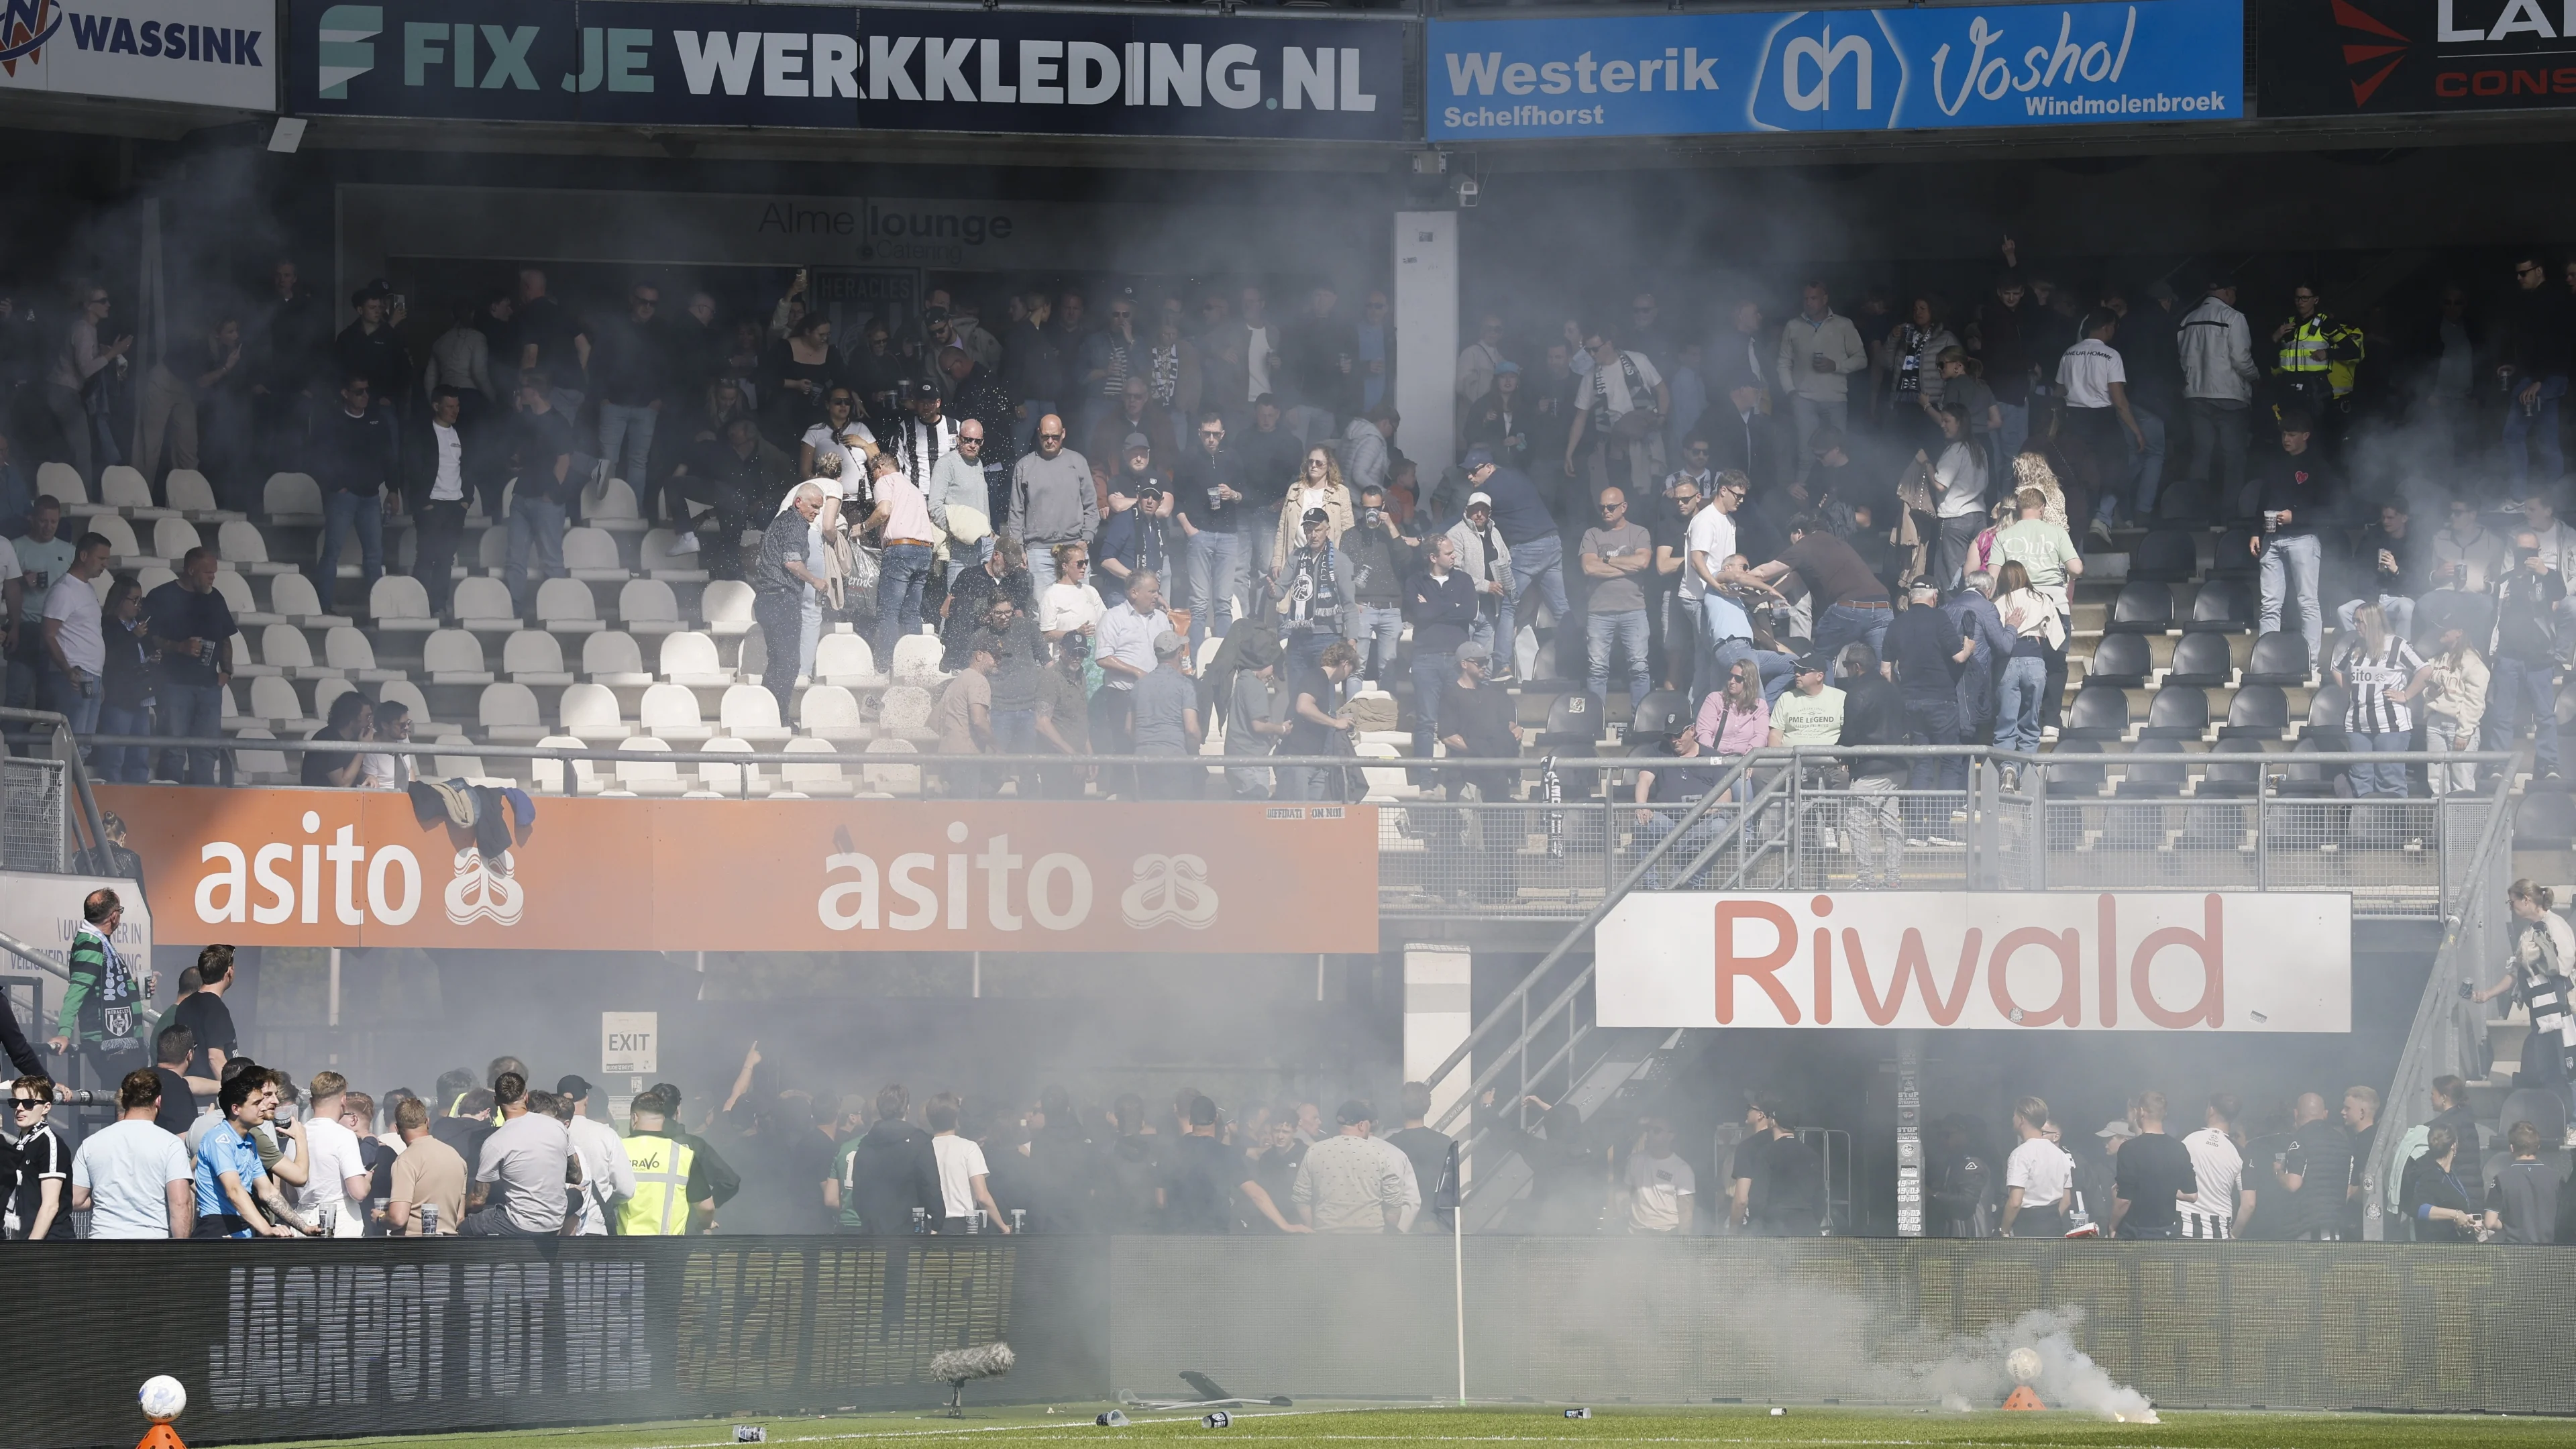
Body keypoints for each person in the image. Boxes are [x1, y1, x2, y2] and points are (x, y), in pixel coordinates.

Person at [2473, 879, 2576, 1131]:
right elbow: (2516, 971)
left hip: (2558, 1011)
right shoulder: (2528, 932)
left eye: (2513, 902)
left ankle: (2572, 1123)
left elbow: (2563, 966)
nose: (2512, 906)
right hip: (2539, 1013)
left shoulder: (2555, 925)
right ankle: (2559, 1122)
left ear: (2527, 900)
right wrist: (2488, 994)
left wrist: (2541, 956)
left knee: (2564, 1070)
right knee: (2547, 1072)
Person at [1748, 515, 1891, 678]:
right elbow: (1792, 579)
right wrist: (1759, 599)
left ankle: (1823, 693)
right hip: (1883, 606)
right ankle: (1887, 693)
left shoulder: (1805, 545)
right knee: (1883, 667)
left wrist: (1735, 578)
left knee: (1821, 660)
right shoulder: (1837, 544)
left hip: (1850, 606)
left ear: (1799, 533)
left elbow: (1763, 572)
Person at [1888, 580, 1972, 842]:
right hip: (1941, 701)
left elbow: (1885, 670)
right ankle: (1940, 829)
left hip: (1911, 703)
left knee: (1922, 764)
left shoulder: (1896, 624)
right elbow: (1959, 657)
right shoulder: (1939, 618)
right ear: (1934, 596)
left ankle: (1914, 831)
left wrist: (1902, 693)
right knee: (1950, 762)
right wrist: (1969, 646)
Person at [2251, 413, 2334, 677]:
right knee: (2269, 604)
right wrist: (2255, 532)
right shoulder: (2275, 465)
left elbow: (2329, 511)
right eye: (2284, 434)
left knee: (2307, 602)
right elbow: (2262, 502)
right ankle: (2267, 661)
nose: (2286, 439)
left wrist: (2295, 517)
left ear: (2305, 436)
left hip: (2304, 538)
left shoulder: (2318, 466)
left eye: (2291, 434)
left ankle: (2311, 663)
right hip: (2271, 537)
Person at [142, 547, 234, 783]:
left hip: (210, 686)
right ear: (191, 570)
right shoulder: (162, 596)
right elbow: (148, 637)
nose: (212, 577)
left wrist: (226, 671)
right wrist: (179, 647)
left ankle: (202, 800)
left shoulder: (215, 598)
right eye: (208, 572)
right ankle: (171, 801)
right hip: (173, 684)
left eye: (214, 572)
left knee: (207, 751)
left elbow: (225, 637)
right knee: (173, 750)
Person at [69, 1069, 193, 1240]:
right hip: (151, 1244)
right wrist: (182, 1250)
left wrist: (108, 1198)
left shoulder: (91, 1143)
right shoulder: (171, 1144)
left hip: (101, 1244)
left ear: (123, 1100)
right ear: (158, 1101)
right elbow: (180, 1204)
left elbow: (75, 1199)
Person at [46, 887, 148, 1094]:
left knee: (130, 1101)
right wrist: (64, 1032)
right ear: (114, 916)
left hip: (120, 1043)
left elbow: (103, 987)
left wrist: (134, 987)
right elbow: (76, 992)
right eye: (120, 910)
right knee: (130, 1101)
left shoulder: (98, 943)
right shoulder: (91, 946)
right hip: (112, 1045)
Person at [192, 1071, 311, 1238]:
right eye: (257, 1103)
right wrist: (266, 1228)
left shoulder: (249, 1141)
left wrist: (305, 1228)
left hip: (243, 1226)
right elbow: (234, 1190)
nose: (263, 1107)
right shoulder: (220, 1139)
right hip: (218, 1229)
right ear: (236, 1109)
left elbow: (268, 1191)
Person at [2332, 604, 2432, 800]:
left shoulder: (2398, 645)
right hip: (2357, 724)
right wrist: (2352, 691)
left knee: (2390, 779)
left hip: (2391, 725)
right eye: (2354, 621)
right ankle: (2364, 819)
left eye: (2359, 621)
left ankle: (2394, 820)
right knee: (2361, 778)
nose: (2355, 625)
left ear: (2372, 622)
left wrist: (2406, 695)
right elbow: (2336, 669)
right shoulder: (2356, 645)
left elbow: (2425, 670)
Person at [1777, 281, 1869, 474]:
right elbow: (1783, 363)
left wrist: (1836, 366)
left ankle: (1840, 490)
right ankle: (1805, 490)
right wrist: (1791, 392)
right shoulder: (1793, 326)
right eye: (1806, 299)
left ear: (1825, 299)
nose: (1809, 303)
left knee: (1838, 452)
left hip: (1835, 399)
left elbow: (1862, 359)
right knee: (1806, 453)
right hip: (1804, 399)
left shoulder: (1844, 325)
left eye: (1814, 298)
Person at [1835, 643, 1907, 886]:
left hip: (1871, 769)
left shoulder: (1857, 693)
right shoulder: (1893, 689)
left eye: (1846, 666)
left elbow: (1850, 734)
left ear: (1856, 667)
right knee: (1890, 823)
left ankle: (1866, 878)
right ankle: (1893, 879)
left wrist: (1841, 753)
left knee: (1855, 821)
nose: (1846, 671)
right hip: (1897, 765)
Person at [1407, 533, 1481, 765]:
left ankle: (1456, 779)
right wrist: (1452, 606)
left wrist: (1432, 607)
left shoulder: (1464, 580)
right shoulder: (1415, 581)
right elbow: (1419, 614)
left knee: (1460, 721)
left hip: (1458, 661)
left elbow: (1469, 612)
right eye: (1449, 553)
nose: (1454, 556)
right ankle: (1424, 779)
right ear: (1433, 557)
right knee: (1426, 722)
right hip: (1425, 659)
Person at [1580, 486, 1656, 712]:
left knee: (1639, 667)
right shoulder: (1592, 534)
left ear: (1624, 507)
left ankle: (1641, 720)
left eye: (1611, 507)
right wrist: (1626, 568)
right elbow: (1588, 567)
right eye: (1602, 507)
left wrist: (1604, 560)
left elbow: (1642, 563)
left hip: (1634, 609)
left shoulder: (1640, 533)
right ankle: (1596, 720)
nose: (1605, 511)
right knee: (1597, 669)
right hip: (1599, 611)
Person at [1291, 1099, 1410, 1234]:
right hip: (1372, 1238)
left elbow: (1301, 1198)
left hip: (1326, 1237)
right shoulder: (1381, 1154)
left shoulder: (1315, 1151)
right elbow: (1394, 1203)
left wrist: (1311, 1228)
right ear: (1362, 1125)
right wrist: (1388, 1227)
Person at [837, 1084, 941, 1234]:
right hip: (911, 1229)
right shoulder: (919, 1141)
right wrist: (937, 1221)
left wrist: (867, 1220)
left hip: (874, 1230)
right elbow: (930, 1184)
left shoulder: (867, 1143)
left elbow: (858, 1189)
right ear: (907, 1108)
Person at [1010, 415, 1096, 595]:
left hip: (1074, 547)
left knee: (1081, 603)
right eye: (1045, 436)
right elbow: (1016, 511)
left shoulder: (1078, 462)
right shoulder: (1024, 466)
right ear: (1038, 433)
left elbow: (1090, 505)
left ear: (1063, 434)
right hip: (1038, 551)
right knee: (1043, 607)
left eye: (1055, 437)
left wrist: (1086, 539)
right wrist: (1019, 548)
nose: (1050, 441)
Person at [39, 529, 111, 736]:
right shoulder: (64, 589)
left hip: (91, 675)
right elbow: (48, 634)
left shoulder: (87, 588)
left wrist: (98, 678)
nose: (105, 564)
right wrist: (67, 670)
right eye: (101, 558)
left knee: (85, 742)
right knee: (73, 740)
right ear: (84, 555)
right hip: (75, 675)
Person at [618, 1089, 713, 1236]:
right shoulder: (683, 1155)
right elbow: (707, 1207)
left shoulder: (618, 1150)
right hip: (669, 1247)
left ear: (634, 1118)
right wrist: (705, 1224)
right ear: (663, 1119)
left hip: (624, 1246)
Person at [1279, 638, 1362, 803]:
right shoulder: (1316, 676)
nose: (1346, 677)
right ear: (1345, 664)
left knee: (1314, 815)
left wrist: (1335, 719)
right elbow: (1303, 706)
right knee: (1298, 814)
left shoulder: (1323, 682)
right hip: (1299, 761)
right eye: (1349, 671)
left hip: (1314, 762)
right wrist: (1335, 722)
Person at [2105, 1092, 2194, 1240]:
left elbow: (2125, 1200)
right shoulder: (2179, 1148)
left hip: (2136, 1234)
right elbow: (2192, 1195)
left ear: (2140, 1112)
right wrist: (2161, 1188)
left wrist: (2112, 1226)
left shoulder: (2129, 1148)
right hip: (2167, 1234)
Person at [299, 1070, 376, 1237]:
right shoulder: (344, 1135)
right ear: (343, 1100)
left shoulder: (297, 1135)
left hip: (303, 1224)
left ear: (311, 1102)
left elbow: (290, 1192)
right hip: (340, 1227)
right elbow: (358, 1192)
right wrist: (367, 1179)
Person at [2275, 1091, 2358, 1242]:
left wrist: (2279, 1173)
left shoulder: (2299, 1139)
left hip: (2306, 1229)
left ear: (2296, 1113)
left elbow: (2293, 1184)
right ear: (2325, 1114)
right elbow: (2347, 1191)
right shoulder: (2343, 1142)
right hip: (2335, 1229)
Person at [926, 1093, 1010, 1233]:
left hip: (930, 1228)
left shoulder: (923, 1148)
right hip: (962, 1228)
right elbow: (982, 1197)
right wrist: (1003, 1227)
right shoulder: (969, 1148)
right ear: (957, 1119)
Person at [7, 1073, 72, 1238]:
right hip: (27, 1240)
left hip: (51, 1243)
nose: (19, 1108)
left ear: (46, 1107)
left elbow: (50, 1206)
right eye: (15, 1102)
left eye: (28, 1103)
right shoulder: (20, 1145)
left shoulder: (49, 1144)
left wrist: (31, 1248)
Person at [1998, 1097, 2072, 1238]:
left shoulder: (2020, 1154)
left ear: (2022, 1119)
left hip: (2027, 1226)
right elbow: (2067, 1200)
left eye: (2014, 1115)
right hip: (2055, 1225)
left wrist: (2004, 1230)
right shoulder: (2061, 1155)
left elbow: (2015, 1202)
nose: (2012, 1119)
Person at [2398, 1124, 2482, 1244]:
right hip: (2438, 1247)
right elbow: (2419, 1208)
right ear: (2454, 1146)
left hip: (2455, 1241)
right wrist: (2456, 1215)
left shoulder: (2447, 1173)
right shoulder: (2428, 1174)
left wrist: (2466, 1222)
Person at [2178, 1095, 2247, 1241]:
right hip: (2219, 1234)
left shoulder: (2187, 1139)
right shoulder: (2240, 1152)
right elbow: (2249, 1204)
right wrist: (2234, 1235)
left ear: (2211, 1110)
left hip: (2182, 1229)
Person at [2483, 1120, 2559, 1244]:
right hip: (2549, 1250)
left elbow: (2490, 1223)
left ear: (2512, 1148)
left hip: (2515, 1251)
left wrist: (2506, 1225)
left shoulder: (2501, 1178)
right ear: (2538, 1146)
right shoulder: (2556, 1178)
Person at [1618, 1116, 1695, 1235]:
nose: (1650, 1134)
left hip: (1667, 1234)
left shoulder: (1682, 1169)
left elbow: (1686, 1210)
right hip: (1636, 1233)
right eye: (1648, 1129)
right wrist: (1624, 1210)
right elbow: (1624, 1191)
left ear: (1671, 1136)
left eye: (1657, 1130)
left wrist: (1684, 1241)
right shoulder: (1635, 1161)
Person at [172, 944, 237, 1083]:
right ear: (229, 972)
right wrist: (233, 1092)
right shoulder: (216, 1009)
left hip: (192, 1088)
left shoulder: (184, 1005)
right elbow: (215, 1059)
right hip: (212, 1092)